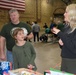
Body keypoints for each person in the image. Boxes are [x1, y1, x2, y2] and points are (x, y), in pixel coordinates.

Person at [51, 4, 76, 74]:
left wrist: (60, 34)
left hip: (73, 61)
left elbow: (74, 49)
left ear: (72, 14)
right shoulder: (67, 27)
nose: (64, 14)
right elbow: (67, 44)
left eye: (66, 12)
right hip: (65, 59)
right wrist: (61, 43)